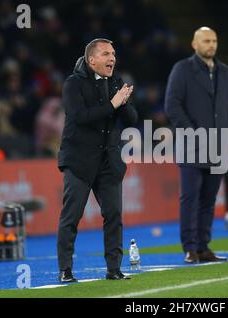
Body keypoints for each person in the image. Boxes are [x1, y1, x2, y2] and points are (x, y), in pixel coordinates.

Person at [57, 38, 138, 282]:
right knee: (71, 217)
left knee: (114, 215)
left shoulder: (115, 82)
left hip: (108, 160)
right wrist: (113, 104)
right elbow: (80, 117)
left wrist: (122, 102)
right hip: (80, 160)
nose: (112, 58)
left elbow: (132, 119)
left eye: (113, 54)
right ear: (92, 60)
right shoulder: (73, 84)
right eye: (105, 54)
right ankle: (65, 269)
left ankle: (114, 269)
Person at [165, 27, 228, 264]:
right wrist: (194, 133)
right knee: (191, 197)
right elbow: (172, 106)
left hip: (218, 145)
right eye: (206, 40)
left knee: (209, 199)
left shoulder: (224, 71)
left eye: (214, 40)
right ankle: (189, 249)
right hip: (192, 146)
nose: (211, 45)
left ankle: (203, 246)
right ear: (194, 44)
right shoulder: (182, 69)